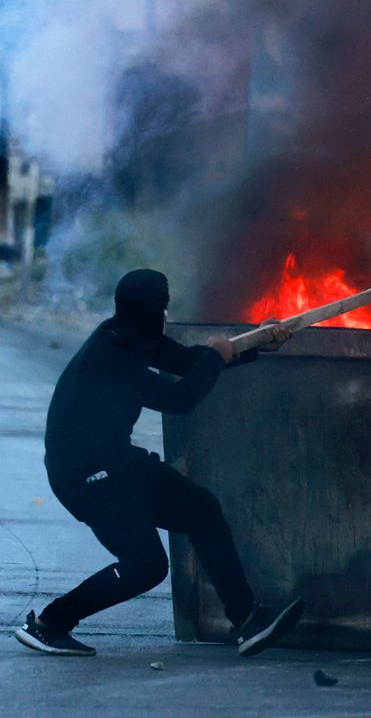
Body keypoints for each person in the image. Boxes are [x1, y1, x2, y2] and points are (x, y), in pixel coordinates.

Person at [14, 269, 304, 657]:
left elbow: (188, 362)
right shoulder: (110, 355)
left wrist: (255, 345)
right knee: (145, 566)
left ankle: (247, 619)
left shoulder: (132, 336)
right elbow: (179, 399)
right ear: (157, 310)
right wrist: (217, 356)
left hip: (117, 463)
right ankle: (51, 623)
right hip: (87, 476)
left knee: (202, 508)